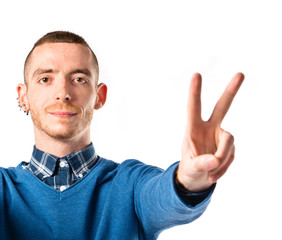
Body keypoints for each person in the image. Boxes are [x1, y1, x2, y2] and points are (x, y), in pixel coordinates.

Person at [0, 31, 244, 240]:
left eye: (78, 79)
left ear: (100, 96)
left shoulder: (130, 184)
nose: (62, 93)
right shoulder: (3, 188)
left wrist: (188, 182)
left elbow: (162, 197)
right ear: (23, 96)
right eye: (45, 79)